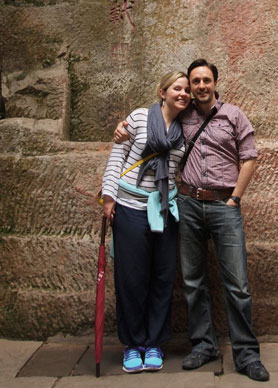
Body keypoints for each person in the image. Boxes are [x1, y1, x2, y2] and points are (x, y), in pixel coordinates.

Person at [115, 59, 269, 382]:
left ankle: (246, 354)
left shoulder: (233, 115)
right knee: (193, 280)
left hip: (223, 206)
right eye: (194, 81)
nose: (198, 87)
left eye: (205, 81)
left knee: (237, 284)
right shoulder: (183, 115)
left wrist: (234, 199)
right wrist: (122, 126)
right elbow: (156, 117)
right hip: (186, 203)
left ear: (215, 83)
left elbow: (250, 157)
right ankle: (203, 344)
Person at [102, 70, 190, 373]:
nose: (183, 93)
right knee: (131, 278)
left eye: (186, 90)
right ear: (162, 91)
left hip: (165, 208)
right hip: (129, 207)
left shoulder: (186, 128)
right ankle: (132, 344)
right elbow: (117, 157)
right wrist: (108, 196)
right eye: (176, 88)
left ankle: (154, 343)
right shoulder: (138, 118)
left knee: (163, 278)